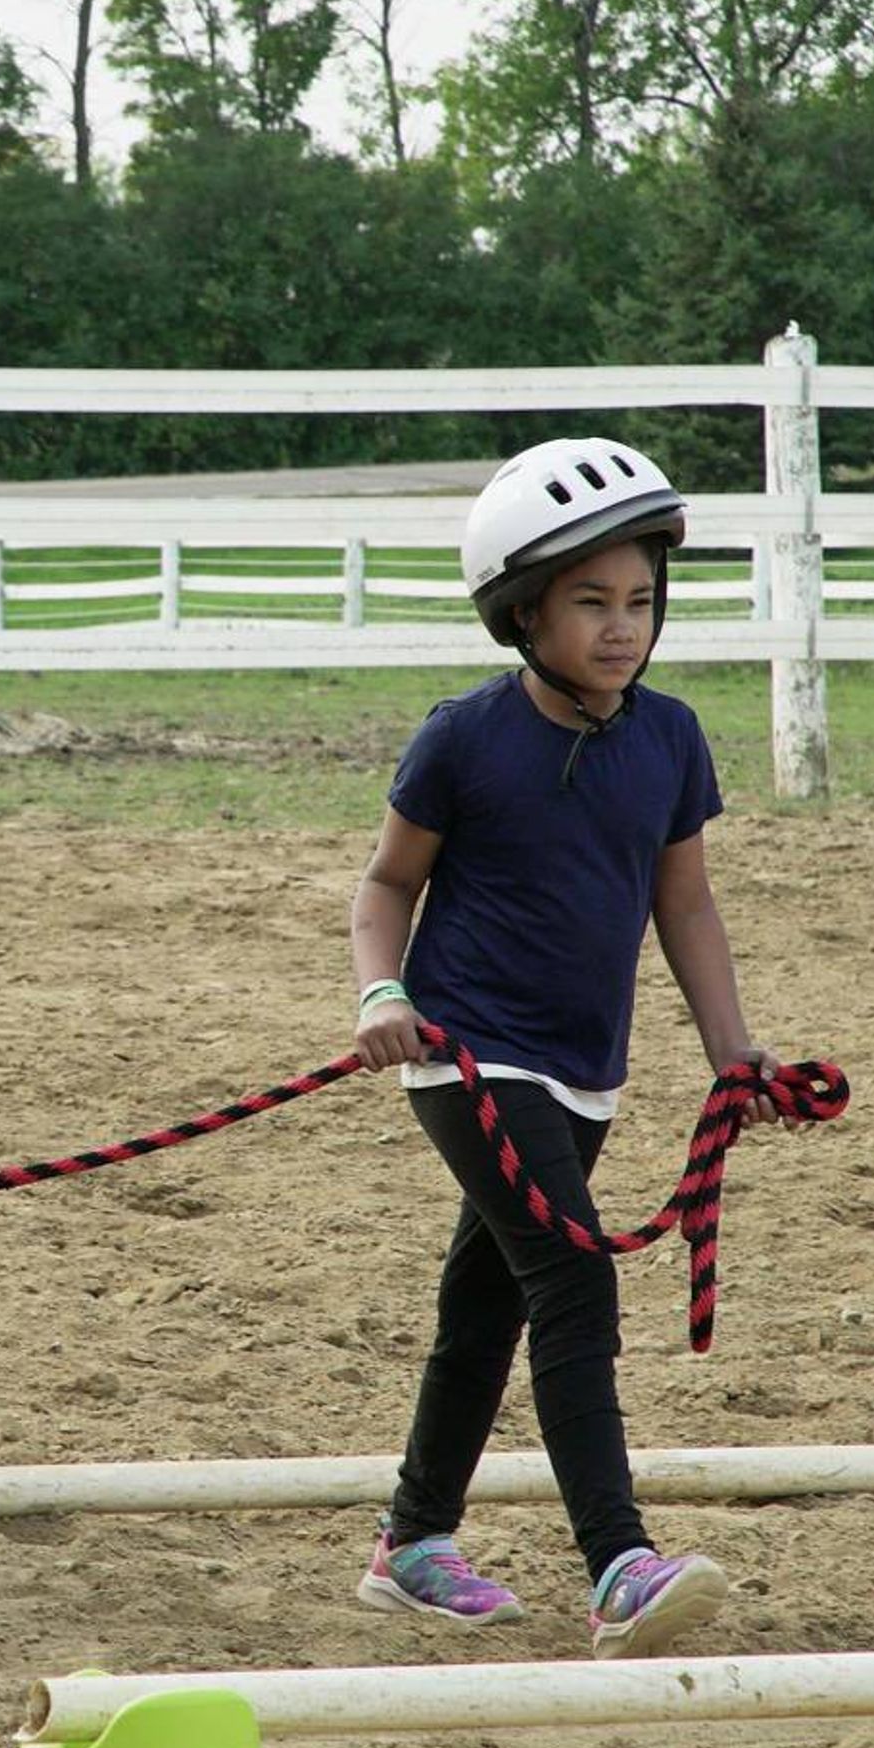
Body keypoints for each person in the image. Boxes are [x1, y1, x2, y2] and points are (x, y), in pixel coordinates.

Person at [344, 435, 790, 1657]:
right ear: (520, 611)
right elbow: (385, 887)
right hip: (467, 1056)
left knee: (486, 1302)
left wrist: (732, 1055)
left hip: (587, 1069)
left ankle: (413, 1543)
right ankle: (620, 1565)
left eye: (639, 600)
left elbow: (684, 904)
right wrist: (381, 992)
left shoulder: (671, 739)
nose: (620, 628)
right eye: (589, 602)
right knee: (571, 1278)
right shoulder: (463, 740)